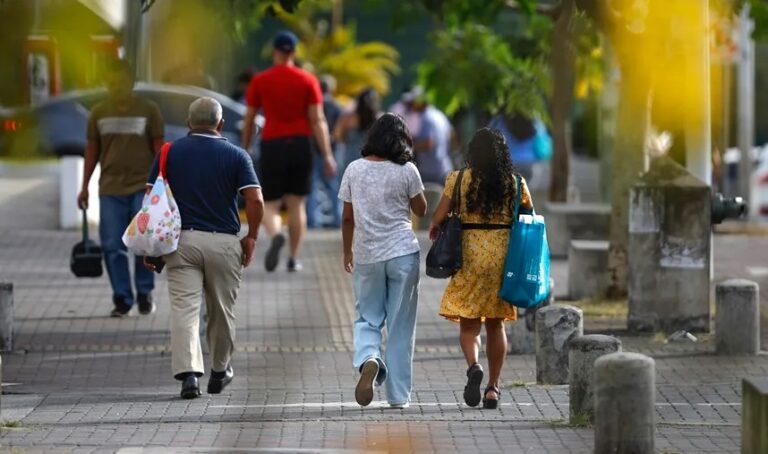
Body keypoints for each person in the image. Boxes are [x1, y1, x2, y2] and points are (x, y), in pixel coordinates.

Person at [144, 97, 264, 399]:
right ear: (221, 124)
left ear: (188, 123)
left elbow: (150, 199)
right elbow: (256, 200)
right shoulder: (237, 155)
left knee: (185, 309)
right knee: (222, 311)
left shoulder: (168, 153)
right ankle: (220, 370)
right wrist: (251, 236)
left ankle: (189, 376)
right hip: (223, 243)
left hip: (181, 243)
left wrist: (153, 245)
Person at [428, 128, 534, 409]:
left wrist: (435, 227)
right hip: (503, 258)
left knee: (469, 323)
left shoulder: (458, 179)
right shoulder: (516, 182)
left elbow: (438, 216)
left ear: (472, 152)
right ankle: (493, 389)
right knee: (496, 325)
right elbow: (530, 218)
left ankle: (474, 366)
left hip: (469, 256)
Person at [339, 113, 427, 408]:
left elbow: (348, 217)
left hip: (367, 254)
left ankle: (369, 359)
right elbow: (421, 209)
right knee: (401, 325)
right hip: (402, 252)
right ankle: (398, 396)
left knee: (367, 317)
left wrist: (347, 251)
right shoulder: (407, 170)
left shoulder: (354, 169)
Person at [241, 31, 337, 272]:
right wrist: (326, 154)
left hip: (272, 144)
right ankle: (294, 258)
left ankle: (275, 235)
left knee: (271, 204)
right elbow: (318, 120)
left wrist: (245, 148)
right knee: (297, 204)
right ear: (294, 53)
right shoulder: (308, 81)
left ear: (274, 52)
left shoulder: (260, 81)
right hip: (301, 144)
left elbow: (250, 118)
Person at [77, 59, 164, 317]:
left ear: (131, 82)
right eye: (112, 83)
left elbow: (160, 150)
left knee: (142, 244)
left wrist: (162, 185)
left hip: (143, 188)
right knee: (112, 245)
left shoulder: (149, 110)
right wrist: (84, 187)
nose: (117, 88)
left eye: (122, 82)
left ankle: (145, 292)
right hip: (110, 189)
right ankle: (122, 298)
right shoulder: (99, 113)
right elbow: (92, 151)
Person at [306, 75, 343, 228]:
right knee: (333, 187)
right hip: (330, 152)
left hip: (312, 152)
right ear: (331, 89)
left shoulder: (312, 105)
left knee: (312, 188)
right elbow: (339, 131)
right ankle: (337, 220)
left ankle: (313, 222)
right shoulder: (337, 107)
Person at [334, 87, 382, 178]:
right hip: (372, 163)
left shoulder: (348, 117)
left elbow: (337, 135)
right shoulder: (379, 119)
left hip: (349, 160)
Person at [412, 98, 453, 185]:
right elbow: (452, 136)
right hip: (445, 169)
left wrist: (409, 148)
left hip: (430, 173)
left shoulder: (426, 117)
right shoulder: (440, 115)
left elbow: (428, 143)